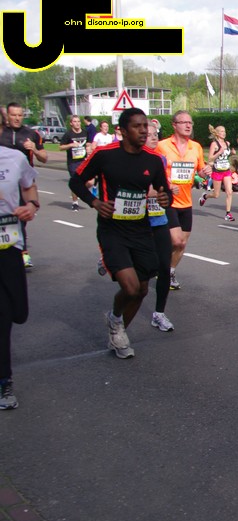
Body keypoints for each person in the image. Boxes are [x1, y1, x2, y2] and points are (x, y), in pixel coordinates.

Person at [69, 108, 172, 359]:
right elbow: (76, 181)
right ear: (123, 131)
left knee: (143, 289)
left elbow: (164, 190)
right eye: (137, 126)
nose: (144, 131)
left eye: (145, 126)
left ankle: (118, 326)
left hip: (141, 229)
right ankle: (116, 324)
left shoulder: (153, 159)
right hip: (112, 229)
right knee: (131, 287)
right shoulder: (105, 155)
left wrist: (165, 198)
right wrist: (94, 203)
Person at [0, 106, 40, 409]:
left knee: (18, 312)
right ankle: (4, 381)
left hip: (9, 245)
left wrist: (32, 206)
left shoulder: (13, 158)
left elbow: (29, 188)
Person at [155, 110, 208, 291]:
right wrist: (167, 184)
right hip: (168, 200)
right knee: (176, 241)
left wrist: (205, 172)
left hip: (186, 201)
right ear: (174, 125)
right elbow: (153, 169)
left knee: (182, 243)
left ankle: (169, 272)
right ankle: (159, 263)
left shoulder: (196, 147)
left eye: (190, 122)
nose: (188, 125)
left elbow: (200, 171)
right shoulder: (162, 146)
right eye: (183, 122)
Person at [0, 103, 46, 269]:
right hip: (6, 182)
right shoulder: (3, 133)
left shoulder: (31, 134)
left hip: (23, 182)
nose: (17, 118)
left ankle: (20, 250)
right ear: (7, 117)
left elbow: (44, 158)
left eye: (20, 115)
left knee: (19, 216)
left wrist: (34, 149)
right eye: (14, 115)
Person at [143, 120, 175, 333]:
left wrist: (167, 192)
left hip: (159, 219)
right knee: (142, 273)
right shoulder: (132, 161)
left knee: (164, 267)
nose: (154, 137)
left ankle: (159, 313)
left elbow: (163, 188)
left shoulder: (160, 159)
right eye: (149, 134)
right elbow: (146, 190)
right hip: (137, 222)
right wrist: (159, 192)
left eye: (156, 134)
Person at [200, 124, 236, 222]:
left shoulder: (227, 143)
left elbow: (225, 156)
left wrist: (232, 153)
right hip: (217, 171)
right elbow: (210, 158)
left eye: (224, 131)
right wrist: (219, 152)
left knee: (229, 191)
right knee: (216, 195)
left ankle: (228, 214)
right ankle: (205, 196)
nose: (224, 133)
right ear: (217, 133)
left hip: (226, 170)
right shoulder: (214, 144)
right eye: (221, 131)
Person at [60, 115, 89, 211]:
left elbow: (88, 143)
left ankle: (79, 191)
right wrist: (71, 145)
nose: (77, 123)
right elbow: (61, 147)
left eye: (78, 121)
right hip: (73, 162)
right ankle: (75, 203)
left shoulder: (85, 132)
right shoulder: (68, 134)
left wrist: (89, 148)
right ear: (71, 123)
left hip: (83, 160)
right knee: (75, 182)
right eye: (75, 121)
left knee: (90, 181)